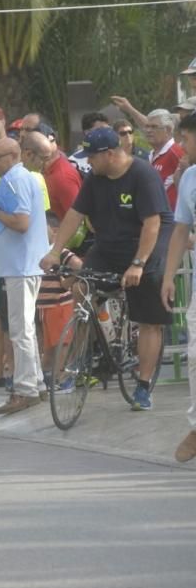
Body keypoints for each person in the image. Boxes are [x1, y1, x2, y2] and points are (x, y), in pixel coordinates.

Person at [43, 127, 173, 411]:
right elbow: (75, 214)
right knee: (80, 285)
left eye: (92, 157)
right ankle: (91, 343)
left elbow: (152, 224)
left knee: (149, 318)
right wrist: (54, 252)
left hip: (146, 245)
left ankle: (142, 385)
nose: (88, 162)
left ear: (110, 154)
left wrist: (138, 264)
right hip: (109, 243)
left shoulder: (143, 175)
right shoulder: (95, 178)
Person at [0, 137, 49, 415]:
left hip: (22, 266)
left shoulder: (15, 180)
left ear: (14, 155)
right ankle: (37, 384)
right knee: (23, 328)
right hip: (21, 264)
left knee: (20, 331)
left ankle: (25, 389)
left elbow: (20, 222)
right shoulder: (21, 178)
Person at [160, 113, 196, 461]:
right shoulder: (189, 179)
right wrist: (169, 277)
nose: (182, 148)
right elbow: (181, 230)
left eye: (186, 139)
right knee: (195, 356)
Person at [37, 213, 83, 389]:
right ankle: (46, 379)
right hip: (44, 306)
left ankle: (60, 378)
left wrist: (67, 283)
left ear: (54, 231)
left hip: (59, 304)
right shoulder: (39, 251)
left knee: (62, 344)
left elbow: (79, 266)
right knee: (49, 347)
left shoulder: (60, 252)